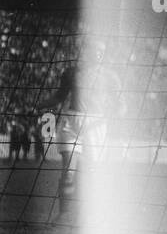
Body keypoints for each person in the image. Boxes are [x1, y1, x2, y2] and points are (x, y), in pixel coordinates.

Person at [38, 39, 122, 216]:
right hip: (71, 122)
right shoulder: (70, 72)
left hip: (96, 125)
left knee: (92, 174)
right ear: (87, 50)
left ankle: (92, 216)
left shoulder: (111, 76)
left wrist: (117, 113)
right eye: (95, 50)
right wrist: (38, 105)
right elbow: (59, 97)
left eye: (101, 51)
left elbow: (121, 104)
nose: (98, 54)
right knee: (68, 172)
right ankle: (63, 216)